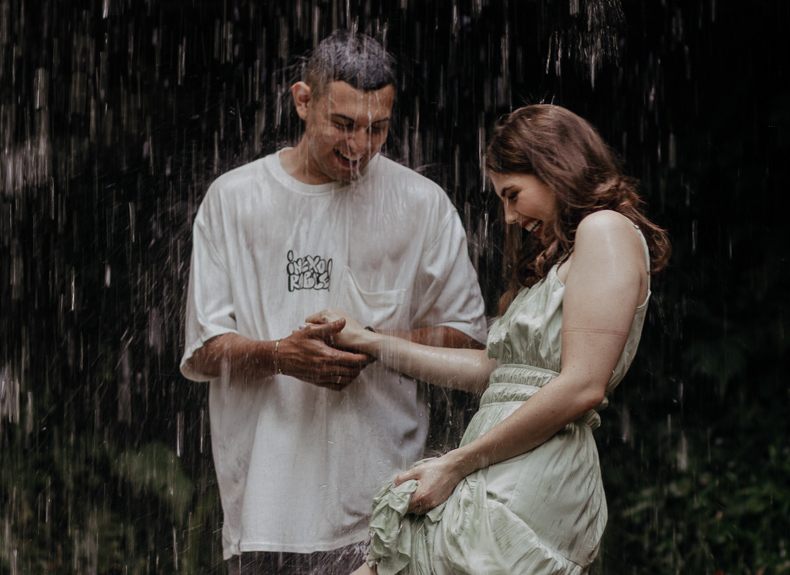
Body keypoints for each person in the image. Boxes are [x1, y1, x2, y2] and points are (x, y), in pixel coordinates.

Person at [308, 104, 671, 575]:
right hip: (498, 462)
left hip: (530, 470)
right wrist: (372, 342)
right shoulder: (557, 264)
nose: (509, 216)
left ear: (555, 168)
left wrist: (456, 464)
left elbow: (583, 385)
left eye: (513, 194)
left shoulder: (605, 229)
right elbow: (492, 371)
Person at [180, 30, 487, 574]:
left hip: (385, 508)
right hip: (265, 510)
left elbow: (467, 340)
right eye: (343, 124)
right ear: (303, 101)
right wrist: (282, 355)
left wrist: (375, 343)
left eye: (378, 128)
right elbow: (204, 351)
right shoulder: (234, 199)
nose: (360, 145)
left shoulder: (421, 204)